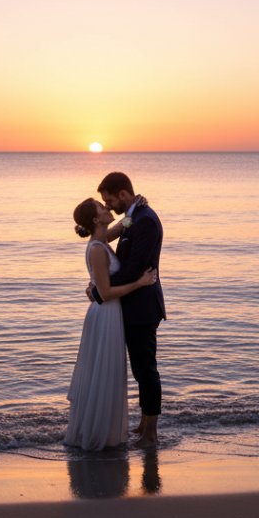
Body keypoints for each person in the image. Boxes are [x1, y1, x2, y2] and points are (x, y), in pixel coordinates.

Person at [64, 199, 157, 451]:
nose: (107, 208)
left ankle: (103, 429)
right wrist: (140, 283)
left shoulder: (103, 240)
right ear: (95, 219)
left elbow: (122, 226)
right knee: (103, 372)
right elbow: (104, 293)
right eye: (101, 208)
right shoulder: (96, 248)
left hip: (110, 315)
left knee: (107, 373)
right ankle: (98, 434)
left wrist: (133, 210)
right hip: (104, 315)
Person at [93, 172, 166, 447]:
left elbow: (135, 269)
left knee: (146, 370)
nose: (109, 206)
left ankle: (151, 433)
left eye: (110, 200)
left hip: (143, 308)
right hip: (132, 307)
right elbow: (120, 227)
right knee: (140, 369)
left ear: (123, 194)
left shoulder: (146, 221)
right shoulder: (134, 216)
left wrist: (101, 288)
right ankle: (142, 425)